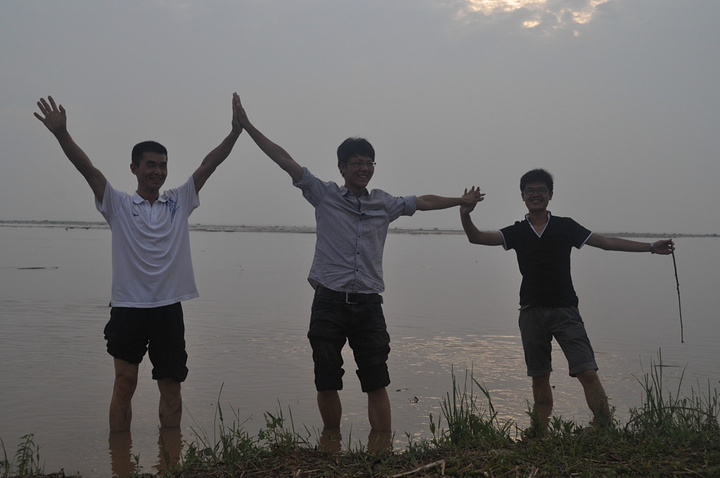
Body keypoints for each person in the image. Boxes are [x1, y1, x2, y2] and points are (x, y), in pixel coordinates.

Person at [233, 94, 484, 451]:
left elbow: (422, 201)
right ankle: (331, 445)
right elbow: (285, 161)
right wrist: (247, 126)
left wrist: (461, 201)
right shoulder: (324, 195)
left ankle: (381, 454)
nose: (364, 168)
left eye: (369, 163)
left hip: (368, 304)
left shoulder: (384, 202)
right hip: (329, 301)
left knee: (376, 380)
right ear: (342, 167)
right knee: (326, 380)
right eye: (356, 163)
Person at [34, 94, 242, 432]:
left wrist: (234, 132)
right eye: (151, 165)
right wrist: (62, 134)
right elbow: (88, 170)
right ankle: (119, 454)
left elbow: (209, 165)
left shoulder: (178, 201)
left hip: (168, 307)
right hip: (128, 307)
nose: (158, 171)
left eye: (163, 165)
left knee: (171, 387)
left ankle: (170, 456)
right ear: (134, 168)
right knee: (124, 384)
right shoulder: (118, 204)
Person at [459, 168, 674, 434]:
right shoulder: (517, 231)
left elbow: (606, 243)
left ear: (550, 195)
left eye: (541, 190)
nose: (536, 194)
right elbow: (477, 238)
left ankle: (604, 428)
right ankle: (540, 432)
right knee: (539, 376)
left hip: (566, 311)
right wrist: (465, 214)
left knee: (587, 372)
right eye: (530, 190)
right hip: (531, 312)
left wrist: (650, 247)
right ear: (522, 196)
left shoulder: (565, 226)